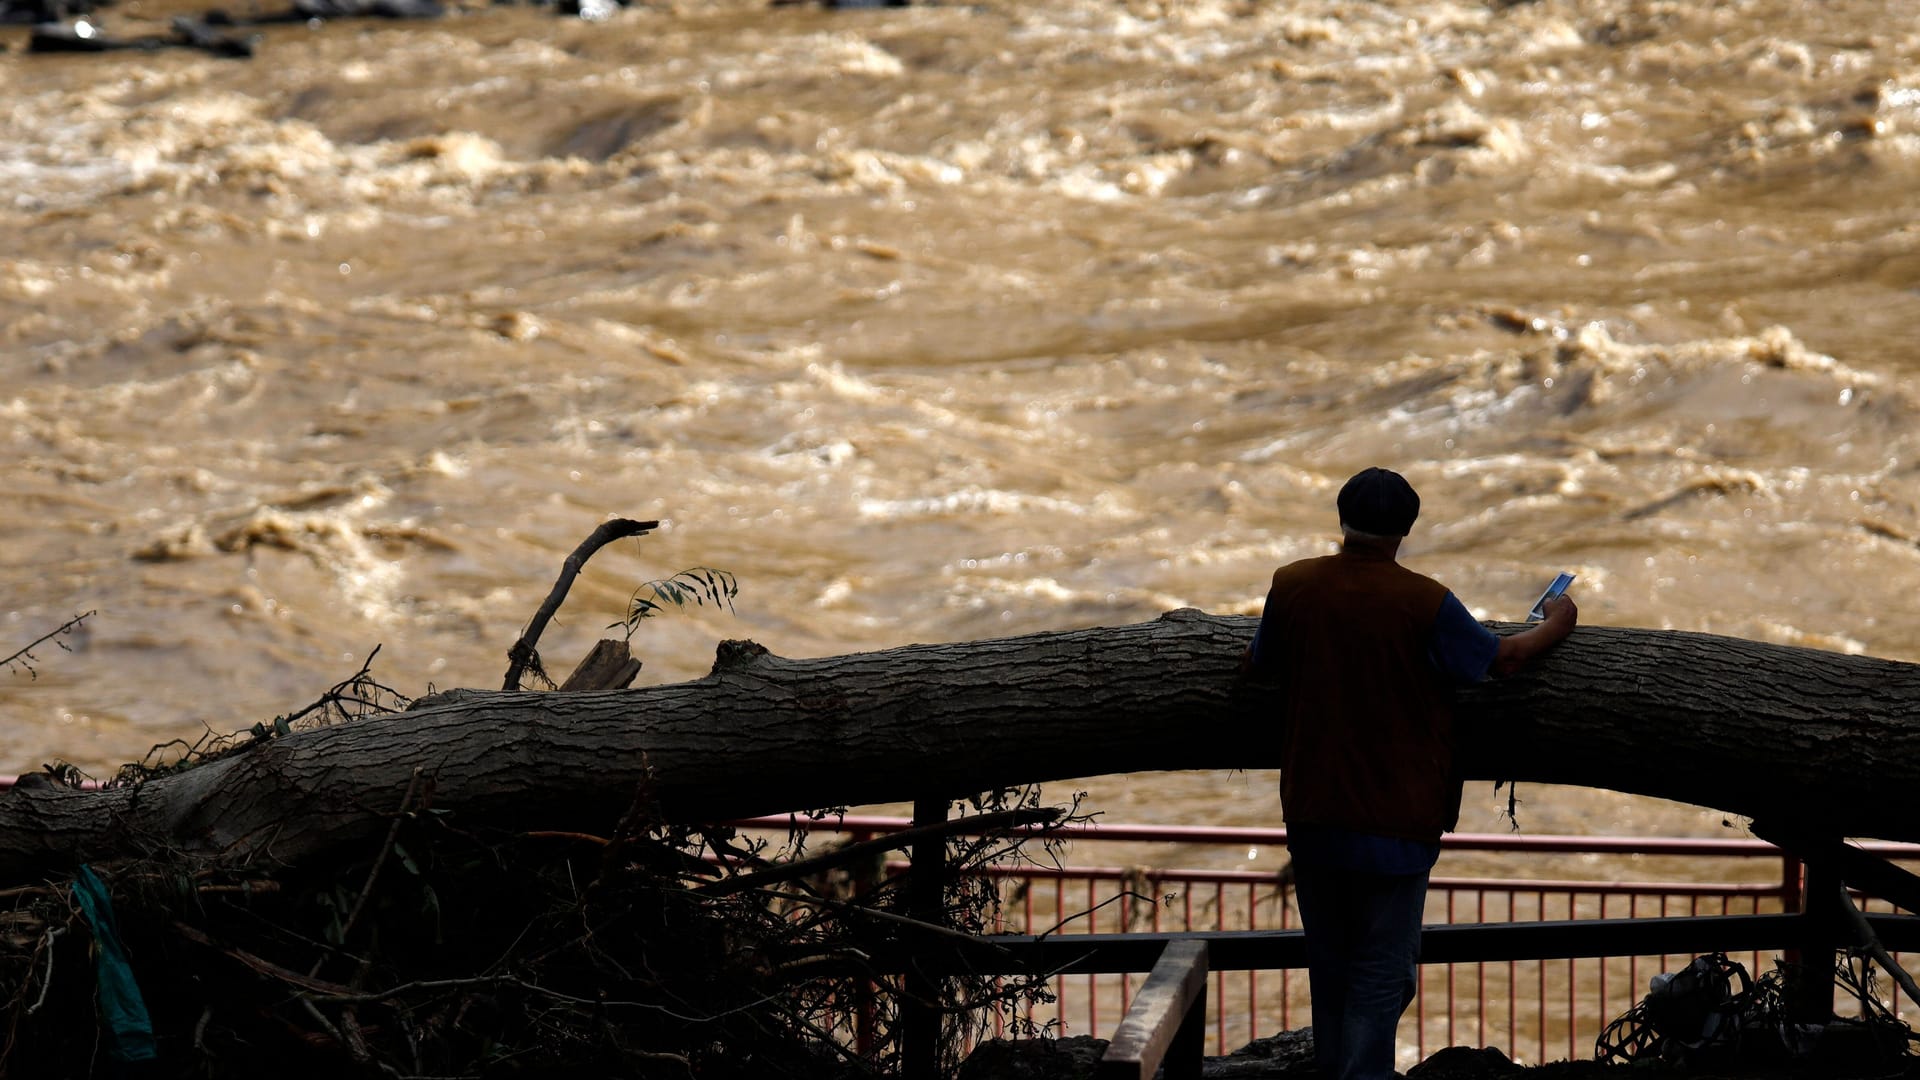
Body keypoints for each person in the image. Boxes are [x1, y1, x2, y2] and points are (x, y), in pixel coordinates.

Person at [1243, 467, 1577, 1080]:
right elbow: (1502, 659)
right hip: (1397, 819)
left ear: (1340, 520)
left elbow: (1260, 660)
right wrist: (1558, 620)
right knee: (1381, 974)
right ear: (1406, 530)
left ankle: (1336, 1071)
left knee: (1332, 967)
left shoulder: (1292, 584)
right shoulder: (1425, 601)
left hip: (1314, 812)